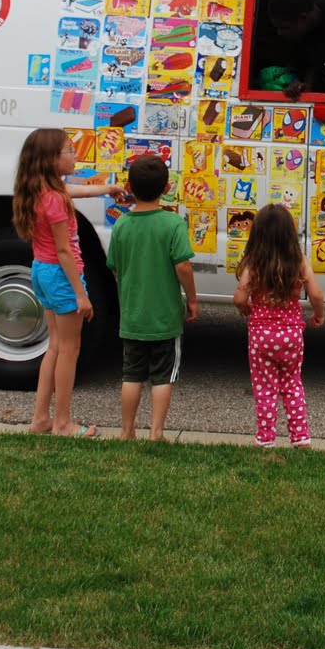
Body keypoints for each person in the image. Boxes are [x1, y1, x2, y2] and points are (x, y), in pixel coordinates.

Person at [12, 127, 124, 437]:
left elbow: (77, 192)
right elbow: (64, 251)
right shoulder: (56, 201)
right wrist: (81, 295)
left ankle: (40, 419)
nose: (76, 155)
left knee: (55, 347)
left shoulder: (41, 191)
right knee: (69, 350)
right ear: (51, 159)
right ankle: (62, 422)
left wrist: (107, 189)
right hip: (62, 276)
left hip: (41, 271)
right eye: (69, 151)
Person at [106, 154, 199, 441]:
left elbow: (115, 268)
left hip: (133, 317)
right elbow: (182, 266)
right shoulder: (172, 224)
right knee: (162, 375)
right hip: (165, 318)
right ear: (167, 187)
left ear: (129, 186)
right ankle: (156, 432)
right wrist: (192, 300)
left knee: (131, 375)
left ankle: (126, 430)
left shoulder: (121, 225)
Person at [231, 203, 325, 447]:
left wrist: (246, 309)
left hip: (261, 336)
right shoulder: (299, 261)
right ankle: (301, 437)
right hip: (292, 334)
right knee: (292, 384)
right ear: (290, 234)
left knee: (265, 388)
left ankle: (265, 438)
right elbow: (316, 294)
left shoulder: (254, 263)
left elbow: (240, 298)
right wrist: (318, 314)